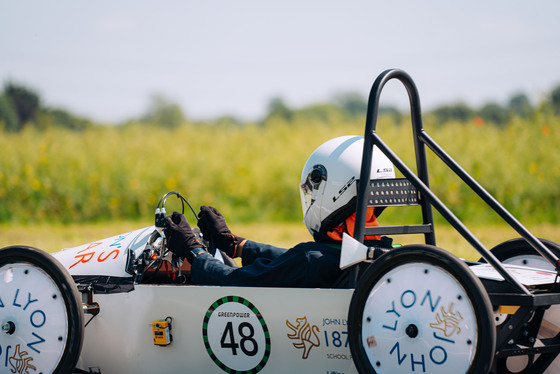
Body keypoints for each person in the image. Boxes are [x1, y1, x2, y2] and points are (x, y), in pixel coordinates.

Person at [164, 135, 395, 288]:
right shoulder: (383, 253)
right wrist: (236, 245)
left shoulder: (310, 262)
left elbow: (232, 280)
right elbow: (292, 261)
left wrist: (193, 250)